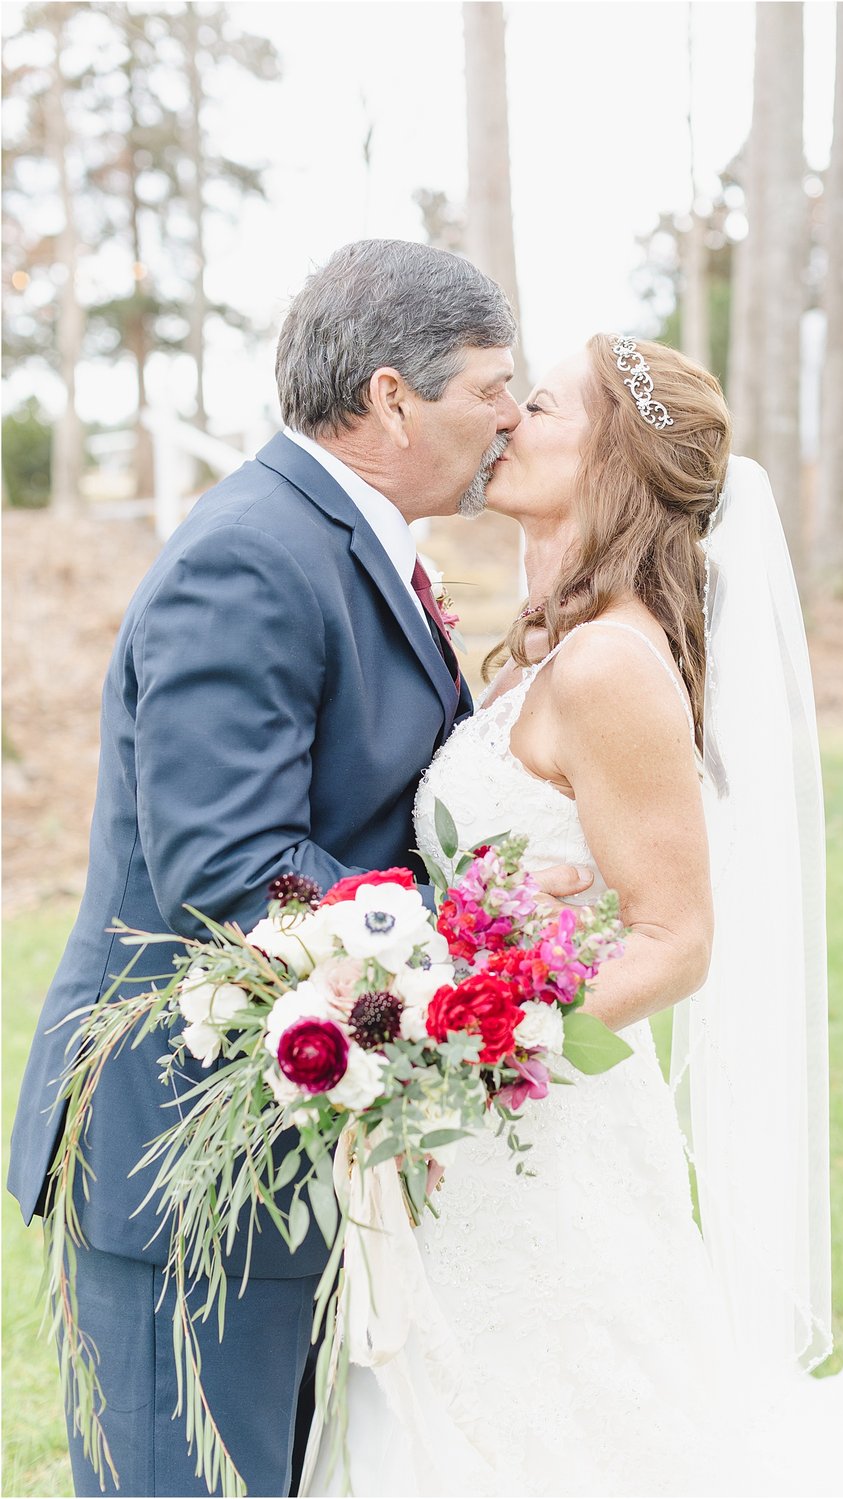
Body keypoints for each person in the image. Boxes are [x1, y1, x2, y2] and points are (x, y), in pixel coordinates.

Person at [302, 334, 843, 1497]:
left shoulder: (609, 667)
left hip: (537, 1118)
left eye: (543, 405)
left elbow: (676, 938)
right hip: (464, 1118)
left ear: (618, 464)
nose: (509, 420)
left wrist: (478, 1036)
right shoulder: (546, 650)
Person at [7, 238, 593, 1499]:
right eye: (492, 384)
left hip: (296, 1137)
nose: (510, 414)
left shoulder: (351, 542)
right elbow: (229, 862)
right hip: (186, 1160)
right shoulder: (251, 556)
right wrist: (471, 945)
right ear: (393, 397)